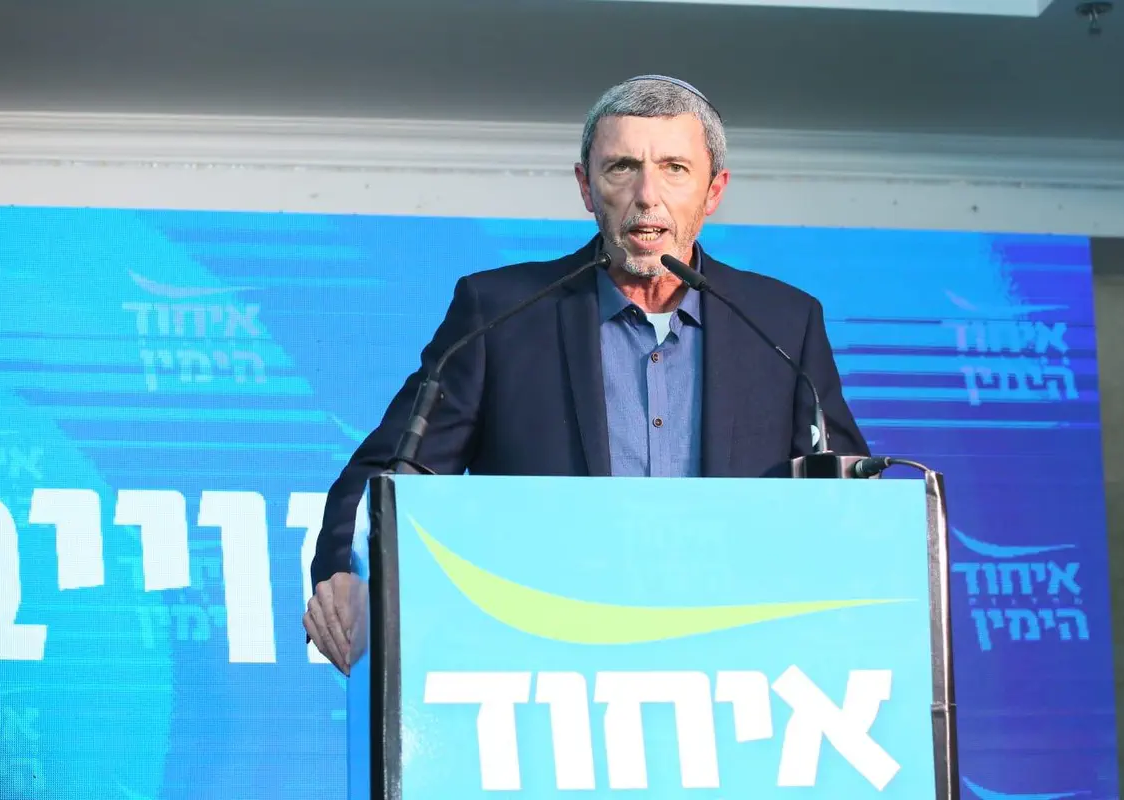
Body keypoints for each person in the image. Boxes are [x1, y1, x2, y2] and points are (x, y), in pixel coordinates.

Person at [302, 74, 869, 673]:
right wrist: (347, 571)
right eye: (622, 167)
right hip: (546, 661)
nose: (647, 195)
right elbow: (391, 470)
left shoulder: (781, 322)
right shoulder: (500, 314)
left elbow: (849, 494)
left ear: (714, 190)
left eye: (675, 168)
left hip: (740, 660)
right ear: (585, 185)